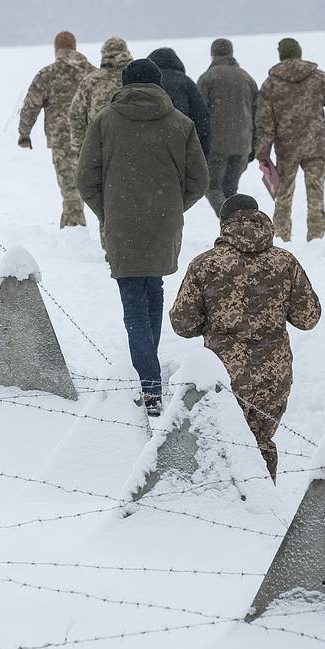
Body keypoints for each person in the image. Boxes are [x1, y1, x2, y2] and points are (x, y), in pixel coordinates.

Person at [77, 59, 208, 416]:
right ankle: (151, 378)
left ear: (125, 83)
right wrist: (171, 207)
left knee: (133, 300)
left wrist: (109, 212)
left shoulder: (104, 121)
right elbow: (199, 181)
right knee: (153, 290)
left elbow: (85, 180)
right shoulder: (181, 123)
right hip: (164, 223)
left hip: (121, 224)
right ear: (158, 83)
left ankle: (149, 385)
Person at [169, 194, 322, 480]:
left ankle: (225, 508)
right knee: (262, 443)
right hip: (273, 374)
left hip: (223, 374)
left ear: (224, 224)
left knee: (223, 446)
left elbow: (182, 323)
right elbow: (308, 318)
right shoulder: (285, 262)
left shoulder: (205, 264)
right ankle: (264, 512)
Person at [254, 37, 325, 241]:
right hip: (316, 146)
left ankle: (280, 238)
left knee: (283, 197)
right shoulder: (320, 78)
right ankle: (316, 238)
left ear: (281, 54)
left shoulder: (271, 84)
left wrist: (262, 154)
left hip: (286, 149)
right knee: (316, 195)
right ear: (299, 52)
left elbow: (264, 122)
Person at [18, 31, 96, 228]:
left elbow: (31, 105)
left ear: (56, 50)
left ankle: (74, 231)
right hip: (91, 139)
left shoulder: (48, 74)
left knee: (70, 189)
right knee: (95, 188)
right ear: (75, 48)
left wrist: (24, 134)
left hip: (62, 141)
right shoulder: (93, 73)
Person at [197, 38, 259, 216]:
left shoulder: (207, 78)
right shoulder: (247, 78)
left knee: (213, 187)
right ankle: (238, 226)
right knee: (231, 189)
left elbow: (200, 115)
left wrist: (200, 146)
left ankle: (230, 222)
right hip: (242, 145)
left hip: (217, 146)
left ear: (213, 53)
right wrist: (253, 146)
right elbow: (257, 114)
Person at [68, 36, 133, 158]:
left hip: (98, 149)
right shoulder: (137, 76)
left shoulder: (91, 81)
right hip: (134, 148)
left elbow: (76, 115)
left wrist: (80, 148)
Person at [146, 47, 210, 156]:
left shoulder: (145, 82)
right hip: (180, 145)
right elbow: (201, 119)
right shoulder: (186, 82)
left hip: (148, 145)